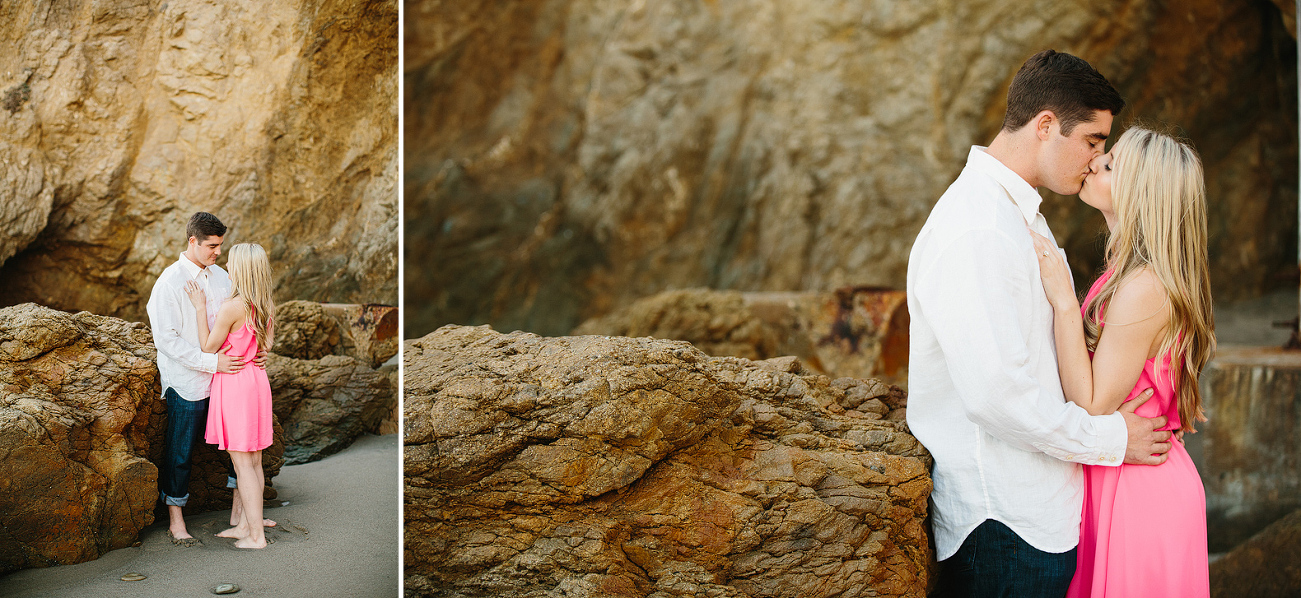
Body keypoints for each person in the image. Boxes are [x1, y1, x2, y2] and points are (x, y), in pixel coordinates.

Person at [906, 50, 1174, 597]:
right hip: (1004, 524)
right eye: (1093, 142)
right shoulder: (978, 227)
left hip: (1039, 515)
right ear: (1046, 125)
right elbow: (998, 397)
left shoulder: (1016, 213)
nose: (1095, 159)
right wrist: (1109, 437)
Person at [1029, 126, 1213, 597]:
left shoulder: (1144, 288)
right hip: (1122, 474)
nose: (1093, 162)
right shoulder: (1130, 276)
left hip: (1139, 492)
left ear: (1140, 193)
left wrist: (1065, 302)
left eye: (1109, 164)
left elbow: (1092, 403)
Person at [146, 212, 271, 547]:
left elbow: (243, 321)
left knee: (238, 452)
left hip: (226, 381)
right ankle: (176, 520)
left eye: (220, 246)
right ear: (193, 241)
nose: (217, 252)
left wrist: (260, 351)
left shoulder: (222, 277)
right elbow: (166, 341)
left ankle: (242, 516)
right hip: (189, 381)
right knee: (181, 452)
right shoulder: (169, 283)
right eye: (212, 246)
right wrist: (211, 362)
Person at [185, 242, 277, 549]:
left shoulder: (232, 307)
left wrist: (199, 307)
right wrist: (258, 354)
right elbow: (266, 347)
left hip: (236, 384)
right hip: (257, 381)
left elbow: (208, 347)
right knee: (255, 461)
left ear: (240, 270)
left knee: (242, 464)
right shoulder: (265, 305)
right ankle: (246, 527)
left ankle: (256, 536)